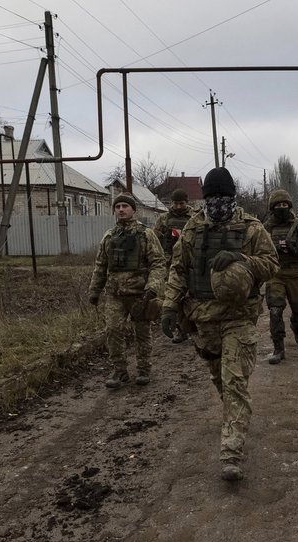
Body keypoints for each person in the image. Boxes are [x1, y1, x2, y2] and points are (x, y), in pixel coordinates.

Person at [160, 167, 279, 481]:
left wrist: (242, 260)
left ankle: (231, 453)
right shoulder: (193, 228)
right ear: (205, 198)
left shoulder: (251, 228)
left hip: (239, 318)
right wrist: (169, 307)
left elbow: (271, 264)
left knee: (234, 382)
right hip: (203, 318)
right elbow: (178, 268)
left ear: (233, 196)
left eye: (223, 197)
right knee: (220, 380)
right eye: (212, 197)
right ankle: (233, 417)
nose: (218, 203)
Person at [88, 193, 166, 388]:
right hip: (115, 295)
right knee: (113, 331)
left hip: (140, 294)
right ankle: (119, 370)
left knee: (142, 333)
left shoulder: (146, 234)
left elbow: (158, 263)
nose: (121, 209)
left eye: (125, 206)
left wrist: (152, 289)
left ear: (134, 210)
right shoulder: (109, 236)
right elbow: (100, 265)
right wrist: (94, 291)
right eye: (118, 206)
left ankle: (143, 369)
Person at [262, 189, 298, 364]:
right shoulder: (266, 228)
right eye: (278, 205)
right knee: (275, 310)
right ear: (272, 207)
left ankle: (297, 327)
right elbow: (258, 250)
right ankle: (278, 348)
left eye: (285, 205)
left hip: (296, 275)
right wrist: (273, 250)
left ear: (289, 206)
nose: (282, 207)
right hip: (276, 274)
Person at [153, 189, 196, 343]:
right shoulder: (163, 219)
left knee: (192, 295)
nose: (178, 207)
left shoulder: (195, 218)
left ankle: (195, 325)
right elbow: (155, 240)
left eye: (181, 203)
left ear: (187, 202)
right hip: (169, 263)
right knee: (175, 296)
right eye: (175, 203)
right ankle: (181, 329)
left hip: (190, 263)